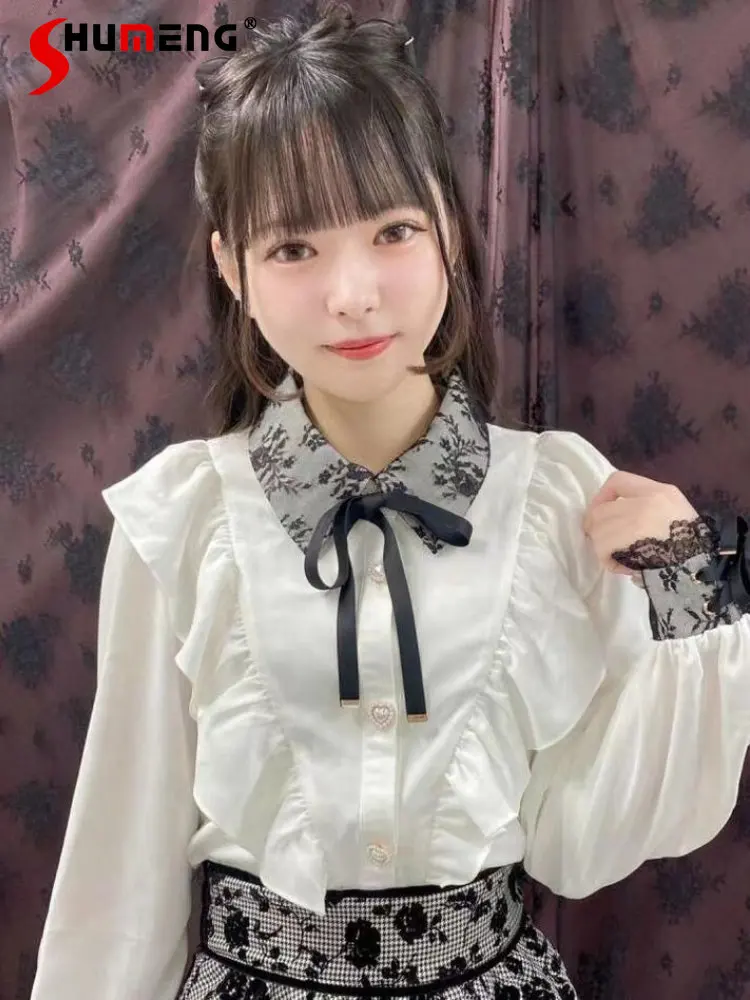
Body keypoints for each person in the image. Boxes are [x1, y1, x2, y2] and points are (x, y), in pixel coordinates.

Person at [30, 5, 750, 999]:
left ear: (448, 231)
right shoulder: (183, 518)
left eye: (394, 231)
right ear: (231, 266)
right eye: (294, 249)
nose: (353, 294)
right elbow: (122, 870)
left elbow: (583, 839)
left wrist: (690, 584)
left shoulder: (556, 495)